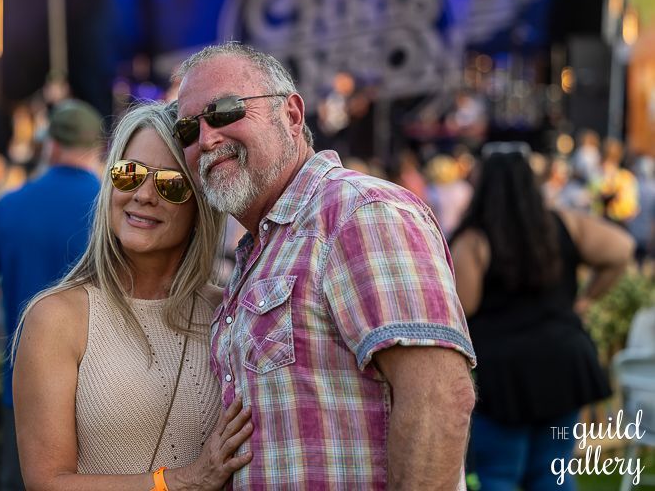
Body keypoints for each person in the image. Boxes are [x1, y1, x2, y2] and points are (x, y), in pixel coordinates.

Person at [173, 42, 476, 489]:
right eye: (187, 130)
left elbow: (438, 398)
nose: (206, 139)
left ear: (292, 116)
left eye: (222, 112)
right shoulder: (264, 247)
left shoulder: (358, 212)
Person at [12, 101, 252, 490]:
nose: (142, 194)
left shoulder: (225, 310)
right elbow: (47, 483)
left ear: (200, 204)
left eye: (170, 184)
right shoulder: (58, 318)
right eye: (129, 174)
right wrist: (179, 481)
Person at [449, 142, 634, 491]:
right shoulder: (561, 225)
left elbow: (462, 308)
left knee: (499, 474)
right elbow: (621, 250)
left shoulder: (475, 241)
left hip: (503, 377)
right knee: (554, 472)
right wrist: (585, 298)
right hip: (562, 364)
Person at [0, 98, 105, 491]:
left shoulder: (10, 205)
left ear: (51, 145)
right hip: (103, 387)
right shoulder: (112, 205)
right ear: (98, 149)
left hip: (23, 387)